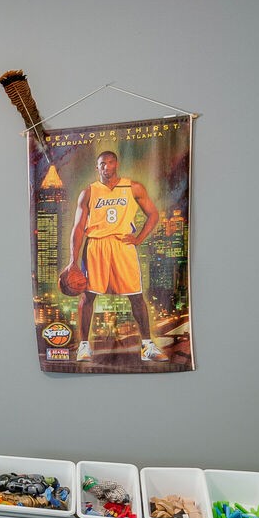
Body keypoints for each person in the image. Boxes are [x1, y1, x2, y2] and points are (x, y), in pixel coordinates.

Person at [65, 149, 166, 363]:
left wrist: (138, 239)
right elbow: (78, 227)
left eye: (110, 162)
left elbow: (153, 214)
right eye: (102, 163)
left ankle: (147, 346)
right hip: (96, 245)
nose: (106, 167)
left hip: (122, 245)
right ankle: (84, 347)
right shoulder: (89, 192)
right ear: (97, 167)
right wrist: (73, 261)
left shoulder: (133, 187)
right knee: (88, 295)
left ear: (116, 164)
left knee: (136, 296)